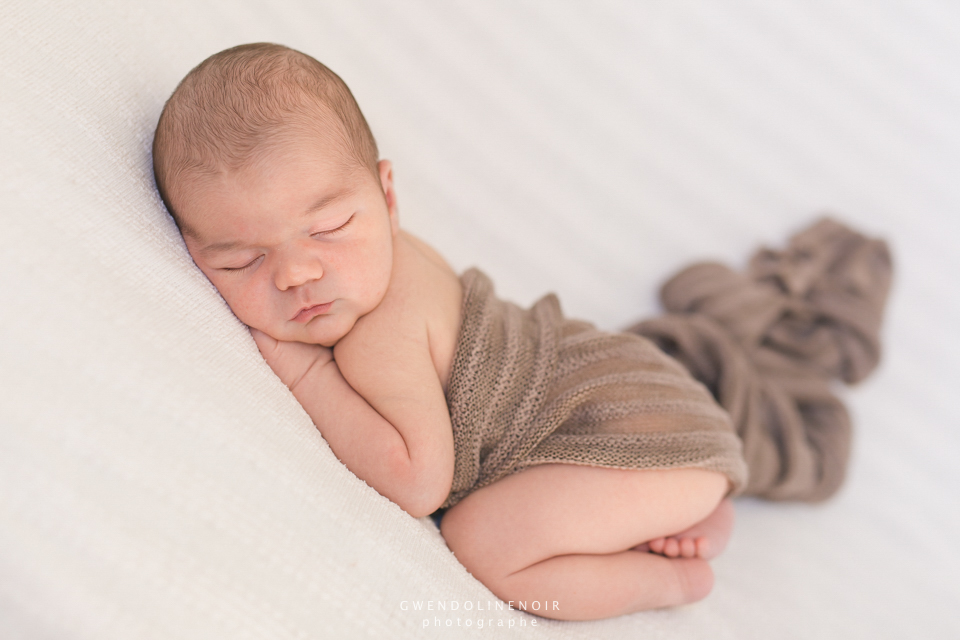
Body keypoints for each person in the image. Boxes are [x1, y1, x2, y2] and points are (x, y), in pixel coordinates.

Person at [153, 42, 891, 621]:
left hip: (622, 432)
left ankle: (668, 578)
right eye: (241, 258)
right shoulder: (389, 256)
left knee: (484, 544)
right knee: (545, 507)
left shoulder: (379, 342)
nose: (295, 273)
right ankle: (697, 502)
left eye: (330, 226)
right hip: (639, 403)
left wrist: (308, 376)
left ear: (386, 194)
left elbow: (418, 482)